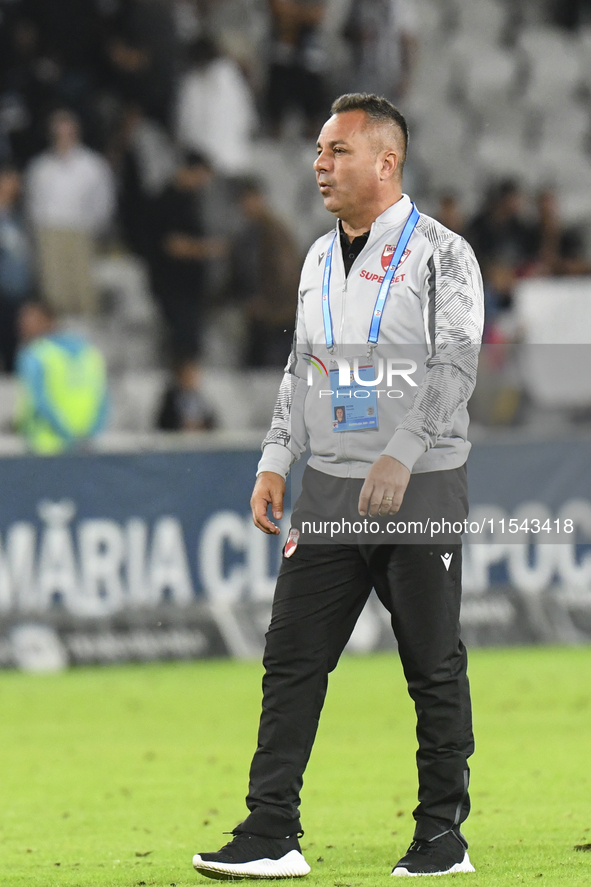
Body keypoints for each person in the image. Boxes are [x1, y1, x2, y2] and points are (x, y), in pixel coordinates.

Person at [192, 93, 484, 879]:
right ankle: (270, 831)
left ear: (385, 163)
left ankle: (439, 836)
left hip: (419, 484)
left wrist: (401, 448)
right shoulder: (317, 257)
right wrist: (276, 456)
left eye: (337, 151)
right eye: (320, 151)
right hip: (325, 490)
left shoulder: (442, 253)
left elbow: (456, 364)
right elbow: (303, 370)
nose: (318, 164)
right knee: (290, 657)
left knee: (429, 661)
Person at [25, 108, 116, 315]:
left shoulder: (92, 165)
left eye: (68, 131)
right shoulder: (40, 167)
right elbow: (33, 203)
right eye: (59, 132)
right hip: (49, 232)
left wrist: (94, 227)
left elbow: (104, 201)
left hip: (80, 229)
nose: (63, 136)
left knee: (83, 287)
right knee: (54, 288)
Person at [15, 300, 109, 454]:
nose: (23, 325)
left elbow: (39, 401)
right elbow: (104, 400)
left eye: (30, 319)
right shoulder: (89, 352)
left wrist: (65, 433)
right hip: (86, 445)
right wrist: (91, 434)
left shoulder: (35, 354)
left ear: (49, 320)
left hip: (44, 445)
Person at [228, 176, 301, 368]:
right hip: (259, 316)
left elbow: (285, 273)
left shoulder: (274, 232)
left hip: (278, 315)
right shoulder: (247, 233)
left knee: (273, 370)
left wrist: (266, 301)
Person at [0, 164, 34, 372]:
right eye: (9, 180)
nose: (15, 185)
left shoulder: (18, 215)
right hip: (3, 289)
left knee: (16, 336)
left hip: (18, 287)